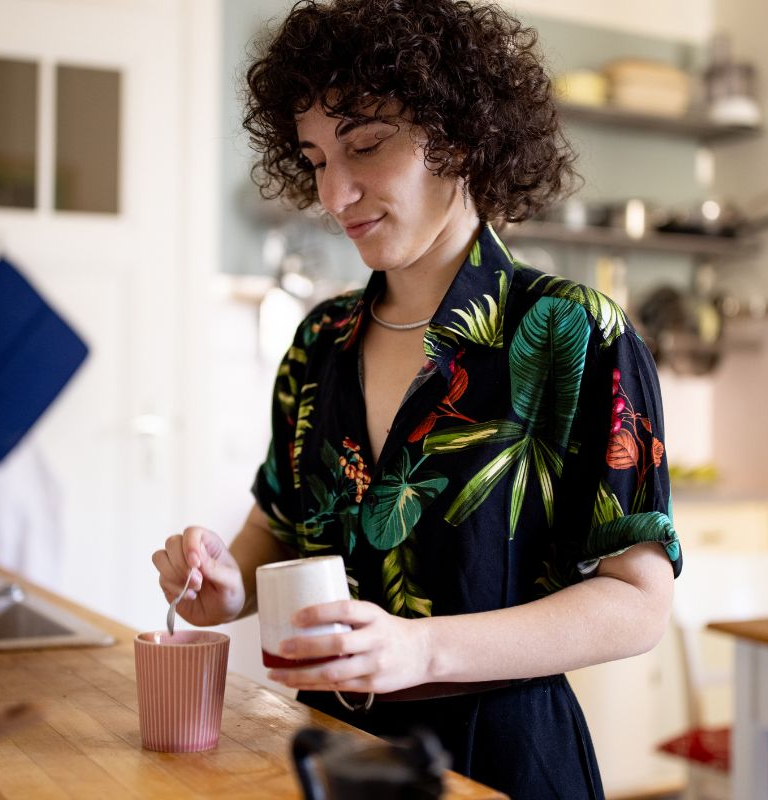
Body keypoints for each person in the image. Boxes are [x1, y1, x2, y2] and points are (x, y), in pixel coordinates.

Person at [152, 1, 682, 795]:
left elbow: (638, 604)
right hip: (327, 750)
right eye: (315, 159)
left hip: (498, 761)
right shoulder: (320, 343)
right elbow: (276, 528)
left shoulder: (574, 332)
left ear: (459, 136)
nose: (336, 193)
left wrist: (421, 649)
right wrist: (225, 588)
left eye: (364, 146)